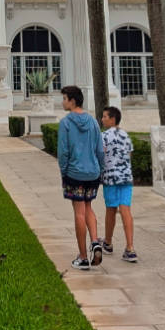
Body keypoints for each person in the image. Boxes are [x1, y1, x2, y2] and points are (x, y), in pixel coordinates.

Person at [56, 85, 105, 270]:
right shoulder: (92, 121)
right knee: (88, 207)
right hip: (92, 172)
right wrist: (100, 169)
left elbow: (63, 152)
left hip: (74, 173)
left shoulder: (66, 123)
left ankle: (83, 257)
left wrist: (64, 171)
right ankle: (95, 241)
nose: (62, 102)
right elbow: (100, 150)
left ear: (72, 100)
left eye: (64, 98)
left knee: (79, 212)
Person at [100, 106, 137, 262]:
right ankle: (130, 248)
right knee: (125, 209)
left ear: (112, 119)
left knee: (111, 210)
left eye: (104, 116)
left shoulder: (104, 136)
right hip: (126, 178)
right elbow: (129, 155)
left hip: (110, 178)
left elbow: (100, 155)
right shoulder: (125, 135)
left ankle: (108, 243)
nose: (102, 119)